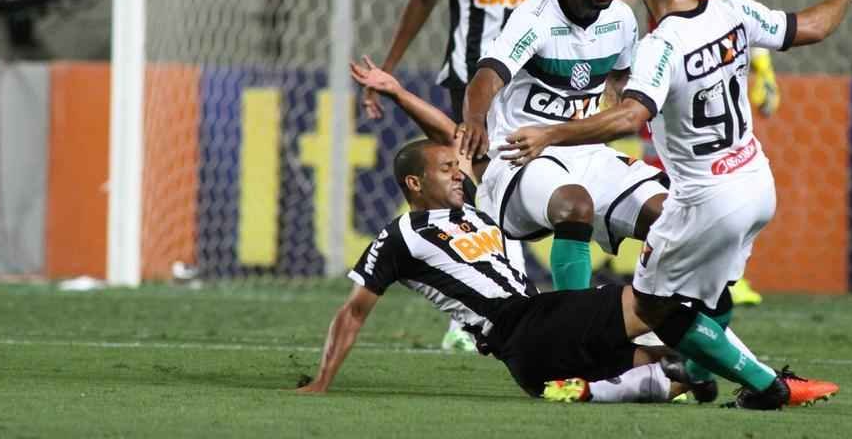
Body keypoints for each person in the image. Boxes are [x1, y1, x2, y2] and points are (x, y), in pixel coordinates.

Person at [499, 0, 852, 408]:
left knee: (654, 308)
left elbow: (630, 116)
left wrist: (549, 134)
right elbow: (815, 26)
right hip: (757, 184)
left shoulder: (662, 45)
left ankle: (763, 386)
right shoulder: (733, 11)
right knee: (709, 298)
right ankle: (698, 374)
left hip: (705, 199)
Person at [296, 135, 732, 404]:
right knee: (656, 303)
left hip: (532, 357)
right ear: (414, 183)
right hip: (528, 323)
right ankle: (763, 384)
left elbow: (458, 136)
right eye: (446, 169)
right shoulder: (402, 235)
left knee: (677, 368)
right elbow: (354, 311)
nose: (457, 174)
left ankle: (584, 390)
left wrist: (395, 90)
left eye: (457, 167)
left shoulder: (471, 207)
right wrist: (322, 381)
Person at [363, 0, 574, 351]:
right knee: (482, 184)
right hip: (472, 78)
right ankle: (494, 309)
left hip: (536, 83)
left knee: (518, 188)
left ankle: (508, 307)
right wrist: (389, 67)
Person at [458, 0, 667, 294]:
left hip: (587, 153)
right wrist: (474, 120)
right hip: (523, 157)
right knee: (576, 206)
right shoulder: (536, 16)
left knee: (670, 218)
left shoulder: (621, 19)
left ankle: (660, 320)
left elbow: (619, 76)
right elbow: (487, 76)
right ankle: (574, 321)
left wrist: (613, 105)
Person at [616, 0, 775, 306]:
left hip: (720, 69)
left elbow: (750, 6)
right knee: (668, 170)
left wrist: (764, 70)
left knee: (732, 167)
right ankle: (676, 264)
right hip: (668, 77)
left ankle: (729, 273)